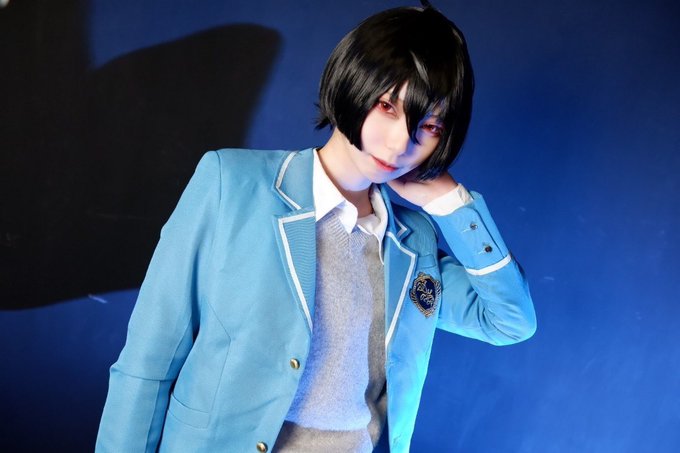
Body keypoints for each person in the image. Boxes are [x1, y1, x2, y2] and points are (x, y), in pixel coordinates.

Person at [96, 2, 536, 452]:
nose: (400, 143)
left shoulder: (411, 240)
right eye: (388, 106)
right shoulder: (232, 184)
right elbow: (147, 363)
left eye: (429, 126)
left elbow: (509, 322)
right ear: (352, 83)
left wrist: (453, 204)